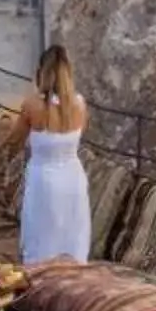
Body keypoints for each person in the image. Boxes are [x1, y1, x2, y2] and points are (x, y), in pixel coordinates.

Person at [15, 44, 91, 266]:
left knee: (41, 243)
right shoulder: (80, 105)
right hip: (73, 180)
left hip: (44, 183)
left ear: (41, 72)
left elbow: (14, 141)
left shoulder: (32, 105)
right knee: (72, 242)